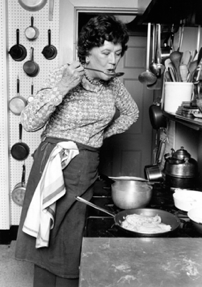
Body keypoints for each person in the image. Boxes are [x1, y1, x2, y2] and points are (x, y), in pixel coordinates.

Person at [15, 14, 139, 287]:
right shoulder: (64, 75)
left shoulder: (114, 84)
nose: (113, 60)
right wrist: (62, 87)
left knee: (72, 239)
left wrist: (95, 136)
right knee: (45, 236)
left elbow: (132, 113)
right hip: (51, 165)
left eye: (117, 53)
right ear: (87, 53)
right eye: (105, 52)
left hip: (84, 167)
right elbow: (30, 122)